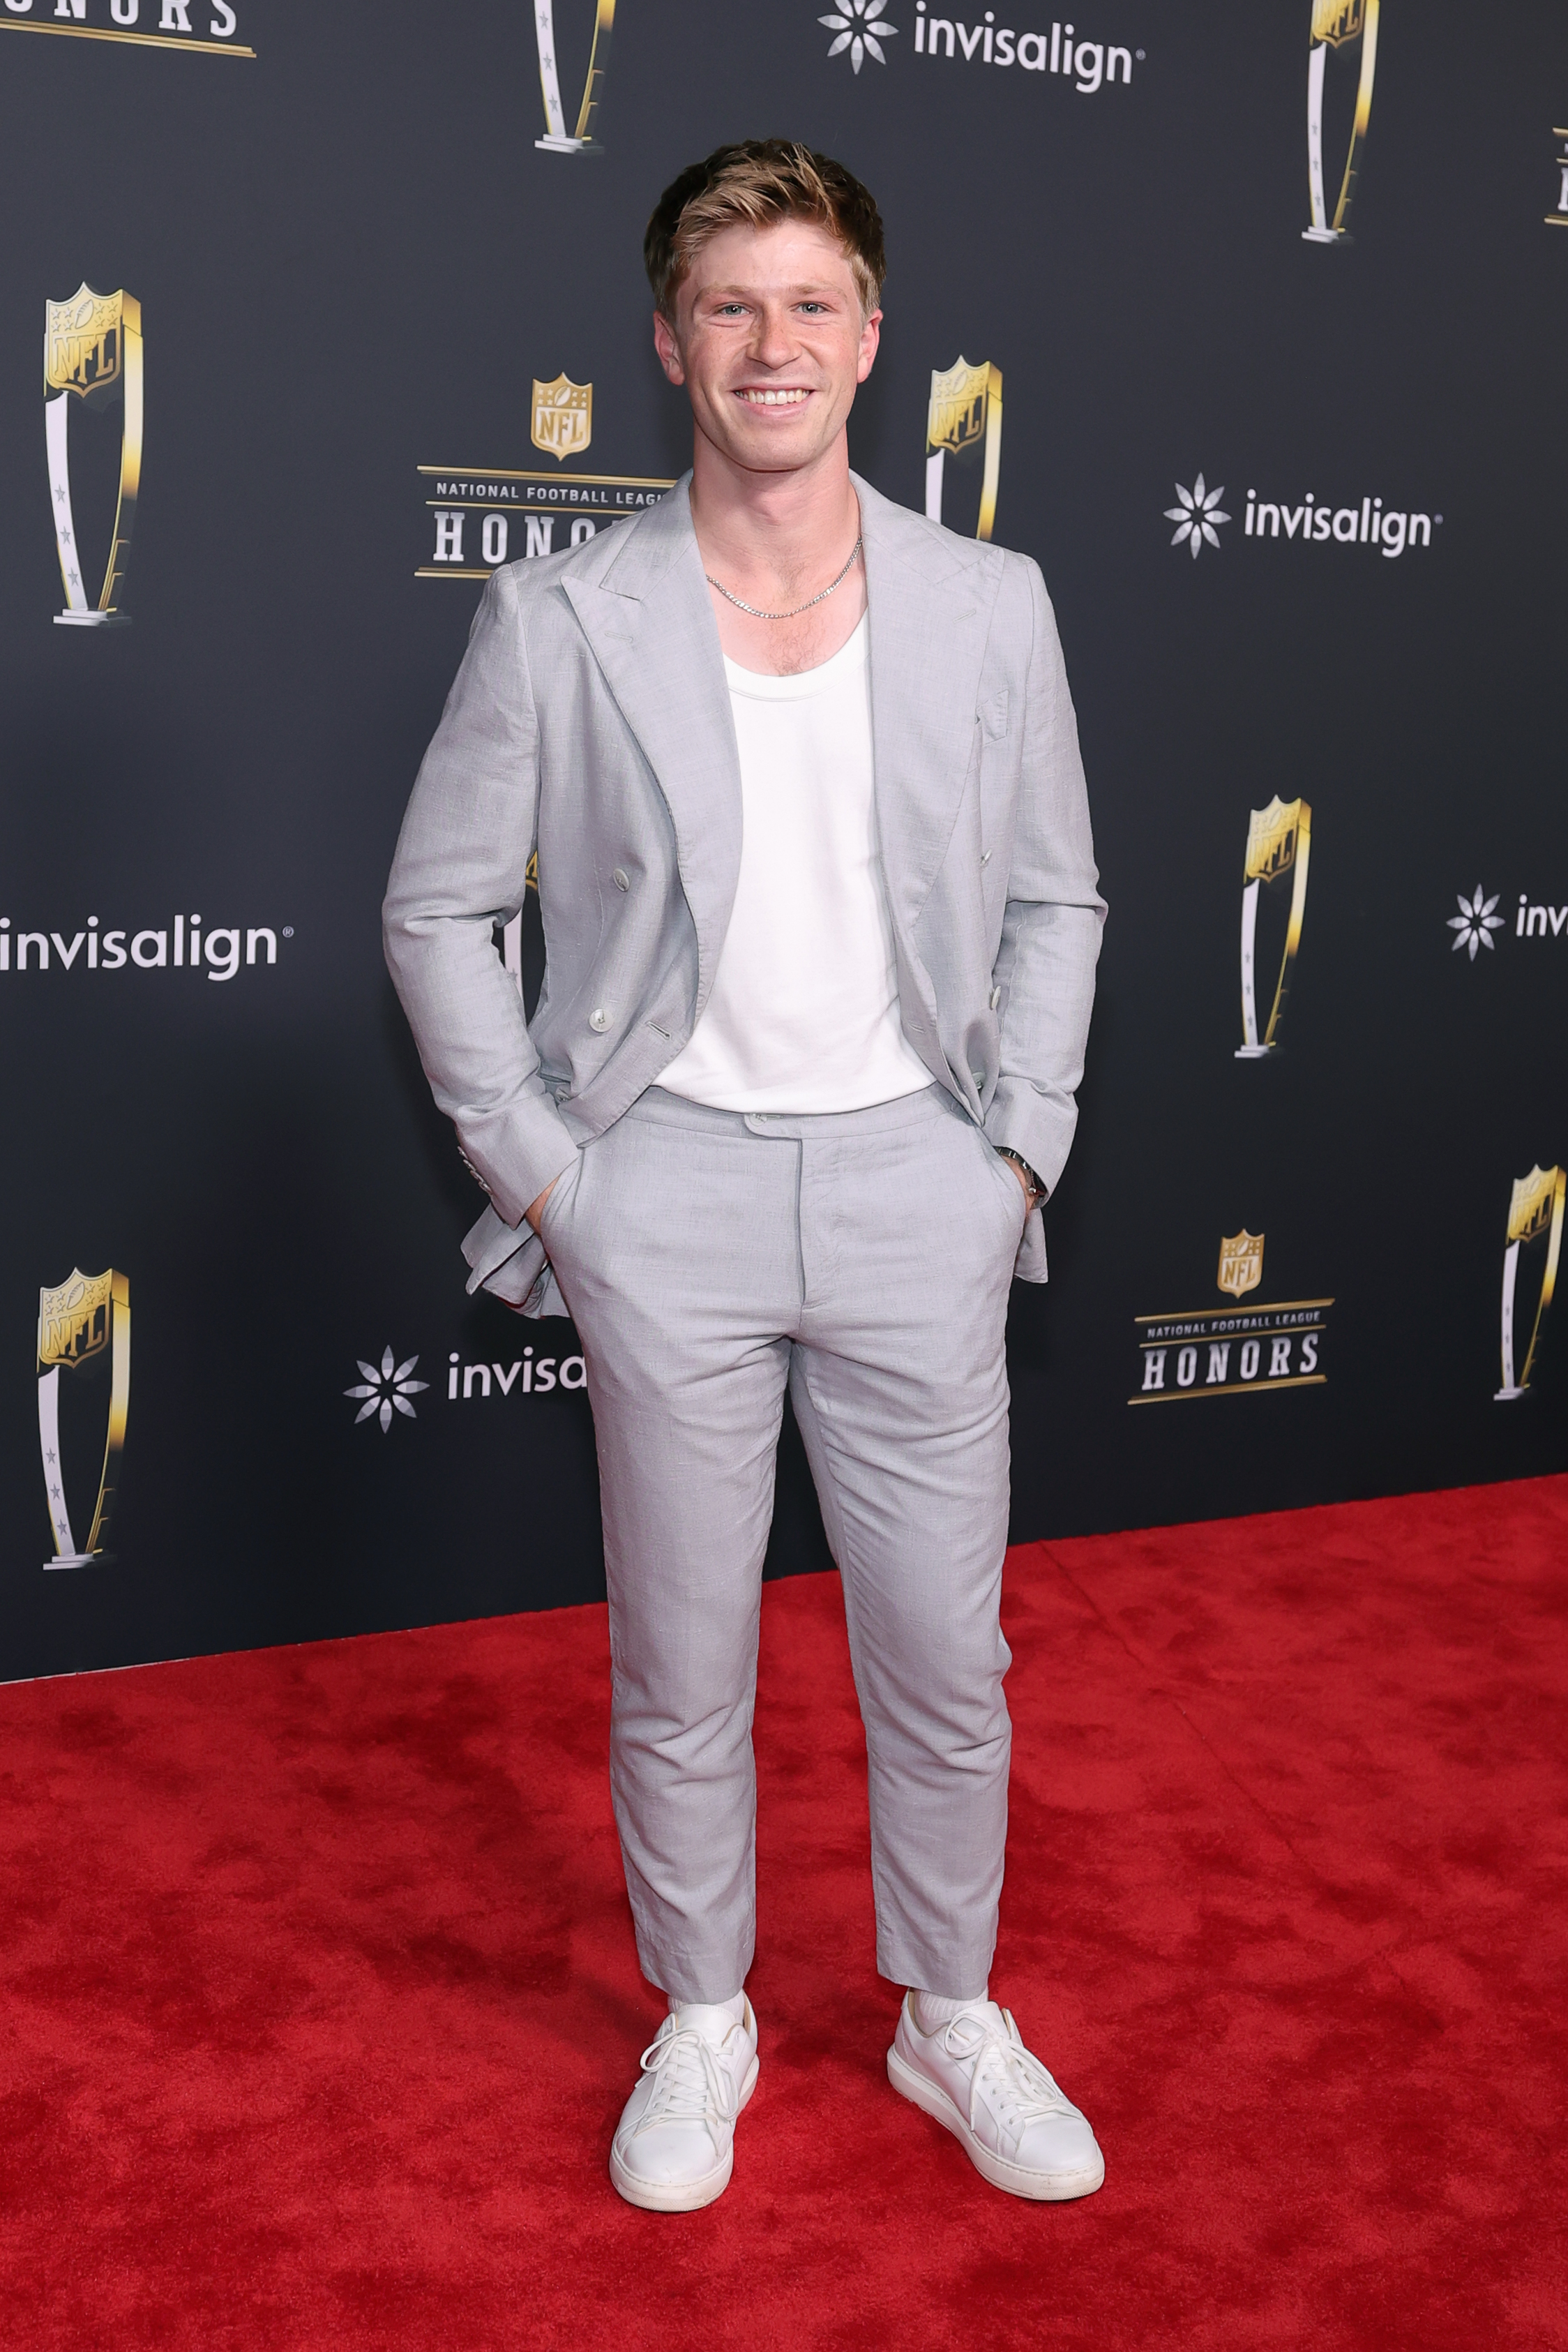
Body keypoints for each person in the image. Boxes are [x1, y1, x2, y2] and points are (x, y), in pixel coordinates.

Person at [384, 140, 1106, 2212]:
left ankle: (947, 2011)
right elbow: (439, 913)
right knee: (681, 1654)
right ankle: (701, 2015)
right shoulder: (558, 614)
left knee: (943, 1656)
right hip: (661, 1195)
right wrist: (545, 1175)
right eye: (730, 304)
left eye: (810, 303)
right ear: (668, 345)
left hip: (917, 1186)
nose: (772, 343)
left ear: (873, 340)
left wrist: (1012, 1158)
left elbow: (1061, 897)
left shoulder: (991, 603)